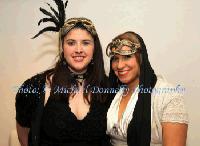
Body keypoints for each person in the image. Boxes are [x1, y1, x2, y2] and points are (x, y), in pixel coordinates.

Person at [15, 0, 111, 146]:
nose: (78, 49)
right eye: (71, 43)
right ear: (62, 47)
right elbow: (24, 136)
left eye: (85, 42)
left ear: (94, 48)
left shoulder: (108, 87)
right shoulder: (36, 87)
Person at [106, 31, 188, 146]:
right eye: (115, 59)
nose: (119, 65)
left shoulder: (168, 96)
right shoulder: (112, 94)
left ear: (141, 58)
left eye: (127, 56)